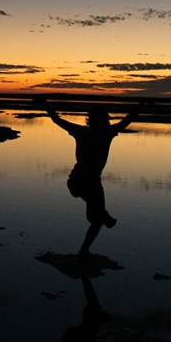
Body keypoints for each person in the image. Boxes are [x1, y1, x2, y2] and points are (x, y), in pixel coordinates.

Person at [36, 97, 143, 259]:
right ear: (95, 120)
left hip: (93, 182)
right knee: (98, 213)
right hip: (78, 181)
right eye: (100, 120)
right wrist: (44, 105)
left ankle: (84, 250)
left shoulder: (103, 133)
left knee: (96, 219)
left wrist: (141, 106)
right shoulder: (86, 132)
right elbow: (57, 120)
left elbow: (128, 120)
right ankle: (102, 214)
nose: (103, 123)